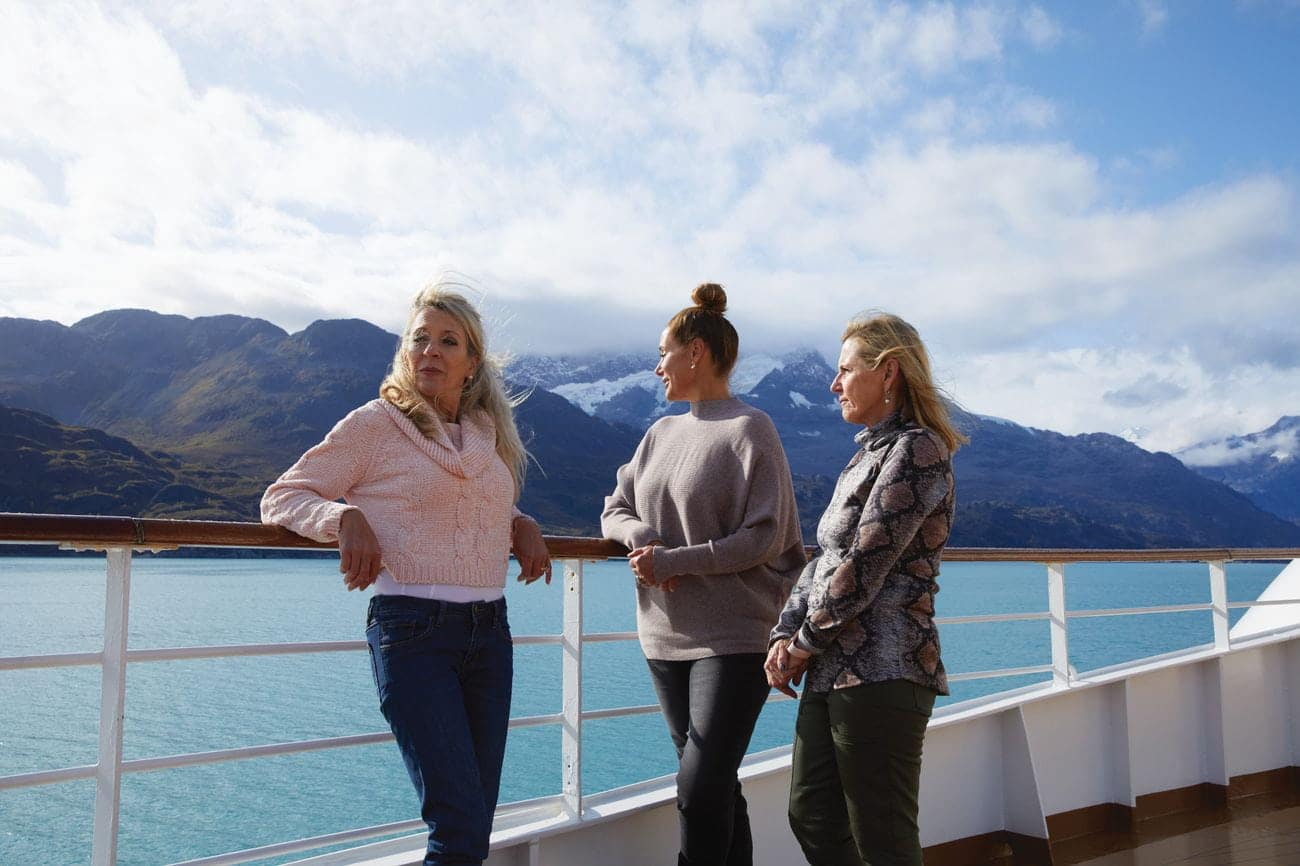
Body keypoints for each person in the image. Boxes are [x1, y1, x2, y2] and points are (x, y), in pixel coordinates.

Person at [260, 284, 551, 866]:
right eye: (421, 338)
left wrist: (519, 522)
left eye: (449, 341)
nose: (431, 351)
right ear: (405, 350)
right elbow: (283, 495)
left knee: (474, 823)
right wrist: (342, 516)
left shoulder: (483, 434)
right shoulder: (375, 425)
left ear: (472, 363)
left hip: (489, 634)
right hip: (413, 634)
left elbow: (468, 506)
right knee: (458, 824)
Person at [601, 283, 806, 866]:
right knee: (715, 786)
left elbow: (765, 536)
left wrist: (675, 561)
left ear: (695, 352)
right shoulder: (659, 434)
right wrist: (640, 536)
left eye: (663, 352)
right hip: (664, 636)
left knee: (698, 787)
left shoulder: (751, 428)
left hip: (736, 635)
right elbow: (614, 508)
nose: (656, 365)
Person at [766, 311, 966, 866]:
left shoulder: (919, 451)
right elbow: (824, 558)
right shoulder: (866, 454)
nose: (834, 384)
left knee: (883, 838)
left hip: (886, 668)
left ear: (889, 373)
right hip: (833, 667)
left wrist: (803, 642)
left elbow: (865, 562)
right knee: (811, 815)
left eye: (845, 370)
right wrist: (784, 634)